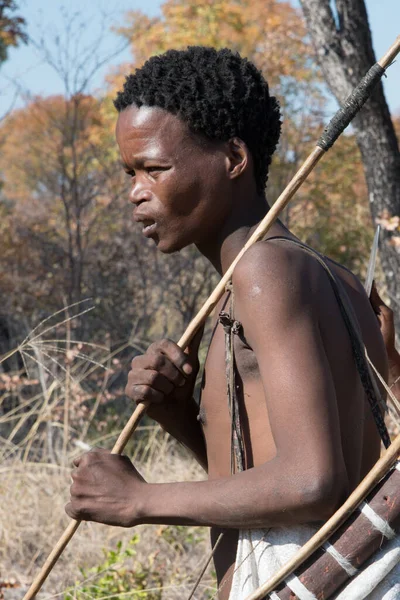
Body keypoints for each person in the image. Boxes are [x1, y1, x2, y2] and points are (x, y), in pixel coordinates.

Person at [65, 47, 393, 599]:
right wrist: (179, 414)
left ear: (234, 157)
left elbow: (314, 481)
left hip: (312, 582)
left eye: (154, 168)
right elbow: (270, 472)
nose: (136, 192)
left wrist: (140, 500)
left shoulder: (264, 271)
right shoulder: (318, 273)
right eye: (130, 173)